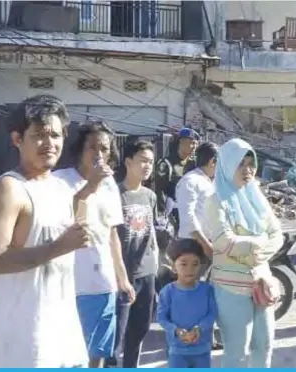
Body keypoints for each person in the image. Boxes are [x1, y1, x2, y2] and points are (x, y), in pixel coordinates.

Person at [0, 94, 89, 368]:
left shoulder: (61, 188)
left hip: (64, 330)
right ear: (17, 139)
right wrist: (59, 247)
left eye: (55, 135)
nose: (49, 143)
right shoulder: (9, 189)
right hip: (27, 341)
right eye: (39, 135)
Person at [52, 121, 136, 368]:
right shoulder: (61, 181)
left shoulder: (109, 184)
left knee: (98, 352)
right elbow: (70, 223)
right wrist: (91, 187)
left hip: (103, 282)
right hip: (72, 282)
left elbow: (111, 233)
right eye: (93, 148)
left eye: (105, 149)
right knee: (70, 355)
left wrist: (121, 278)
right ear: (80, 149)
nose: (99, 155)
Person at [203, 138, 283, 368]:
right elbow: (222, 241)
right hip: (230, 287)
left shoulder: (256, 197)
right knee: (236, 350)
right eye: (241, 164)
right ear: (227, 165)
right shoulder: (215, 201)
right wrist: (257, 244)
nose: (247, 170)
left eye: (251, 163)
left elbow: (276, 233)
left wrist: (254, 251)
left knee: (265, 345)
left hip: (261, 283)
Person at [107, 140, 159, 368]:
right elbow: (110, 238)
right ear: (128, 162)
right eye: (143, 161)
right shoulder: (114, 194)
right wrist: (120, 277)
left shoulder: (150, 196)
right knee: (116, 335)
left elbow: (151, 233)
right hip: (121, 277)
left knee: (140, 330)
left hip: (146, 274)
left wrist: (156, 265)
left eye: (150, 161)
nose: (147, 166)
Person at [175, 141, 223, 350]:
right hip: (193, 246)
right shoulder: (190, 181)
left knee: (206, 294)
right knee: (192, 295)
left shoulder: (208, 181)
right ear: (213, 161)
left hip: (207, 244)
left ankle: (206, 338)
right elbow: (188, 219)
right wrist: (205, 245)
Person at [157, 239, 218, 368]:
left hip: (203, 351)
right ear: (174, 266)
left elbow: (212, 314)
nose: (190, 269)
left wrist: (199, 328)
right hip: (177, 352)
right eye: (184, 264)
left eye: (195, 264)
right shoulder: (167, 292)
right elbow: (162, 318)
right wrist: (176, 330)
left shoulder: (207, 290)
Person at [155, 127, 199, 229]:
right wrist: (162, 214)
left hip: (192, 210)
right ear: (181, 143)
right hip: (173, 211)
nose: (194, 147)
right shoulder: (166, 164)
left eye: (195, 143)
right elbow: (159, 191)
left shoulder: (195, 164)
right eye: (191, 143)